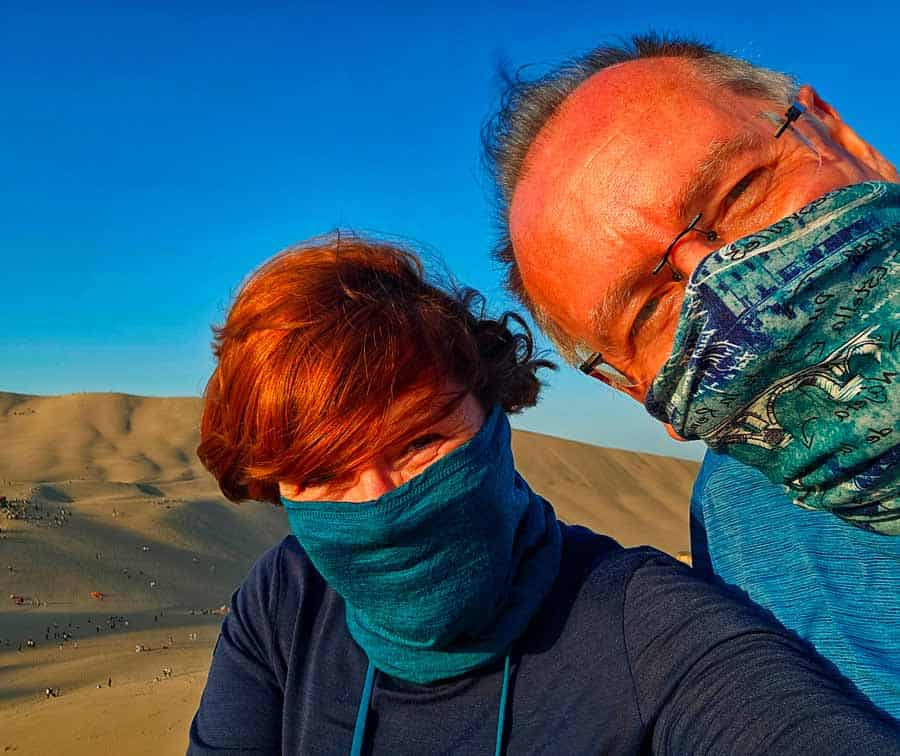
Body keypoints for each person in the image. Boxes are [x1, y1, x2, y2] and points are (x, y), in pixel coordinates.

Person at [188, 235, 900, 754]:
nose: (377, 503)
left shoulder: (642, 623)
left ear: (493, 413)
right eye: (322, 472)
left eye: (419, 441)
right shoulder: (287, 600)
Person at [482, 34, 900, 715]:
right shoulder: (736, 519)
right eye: (649, 309)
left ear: (839, 136)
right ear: (632, 391)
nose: (728, 278)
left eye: (741, 190)